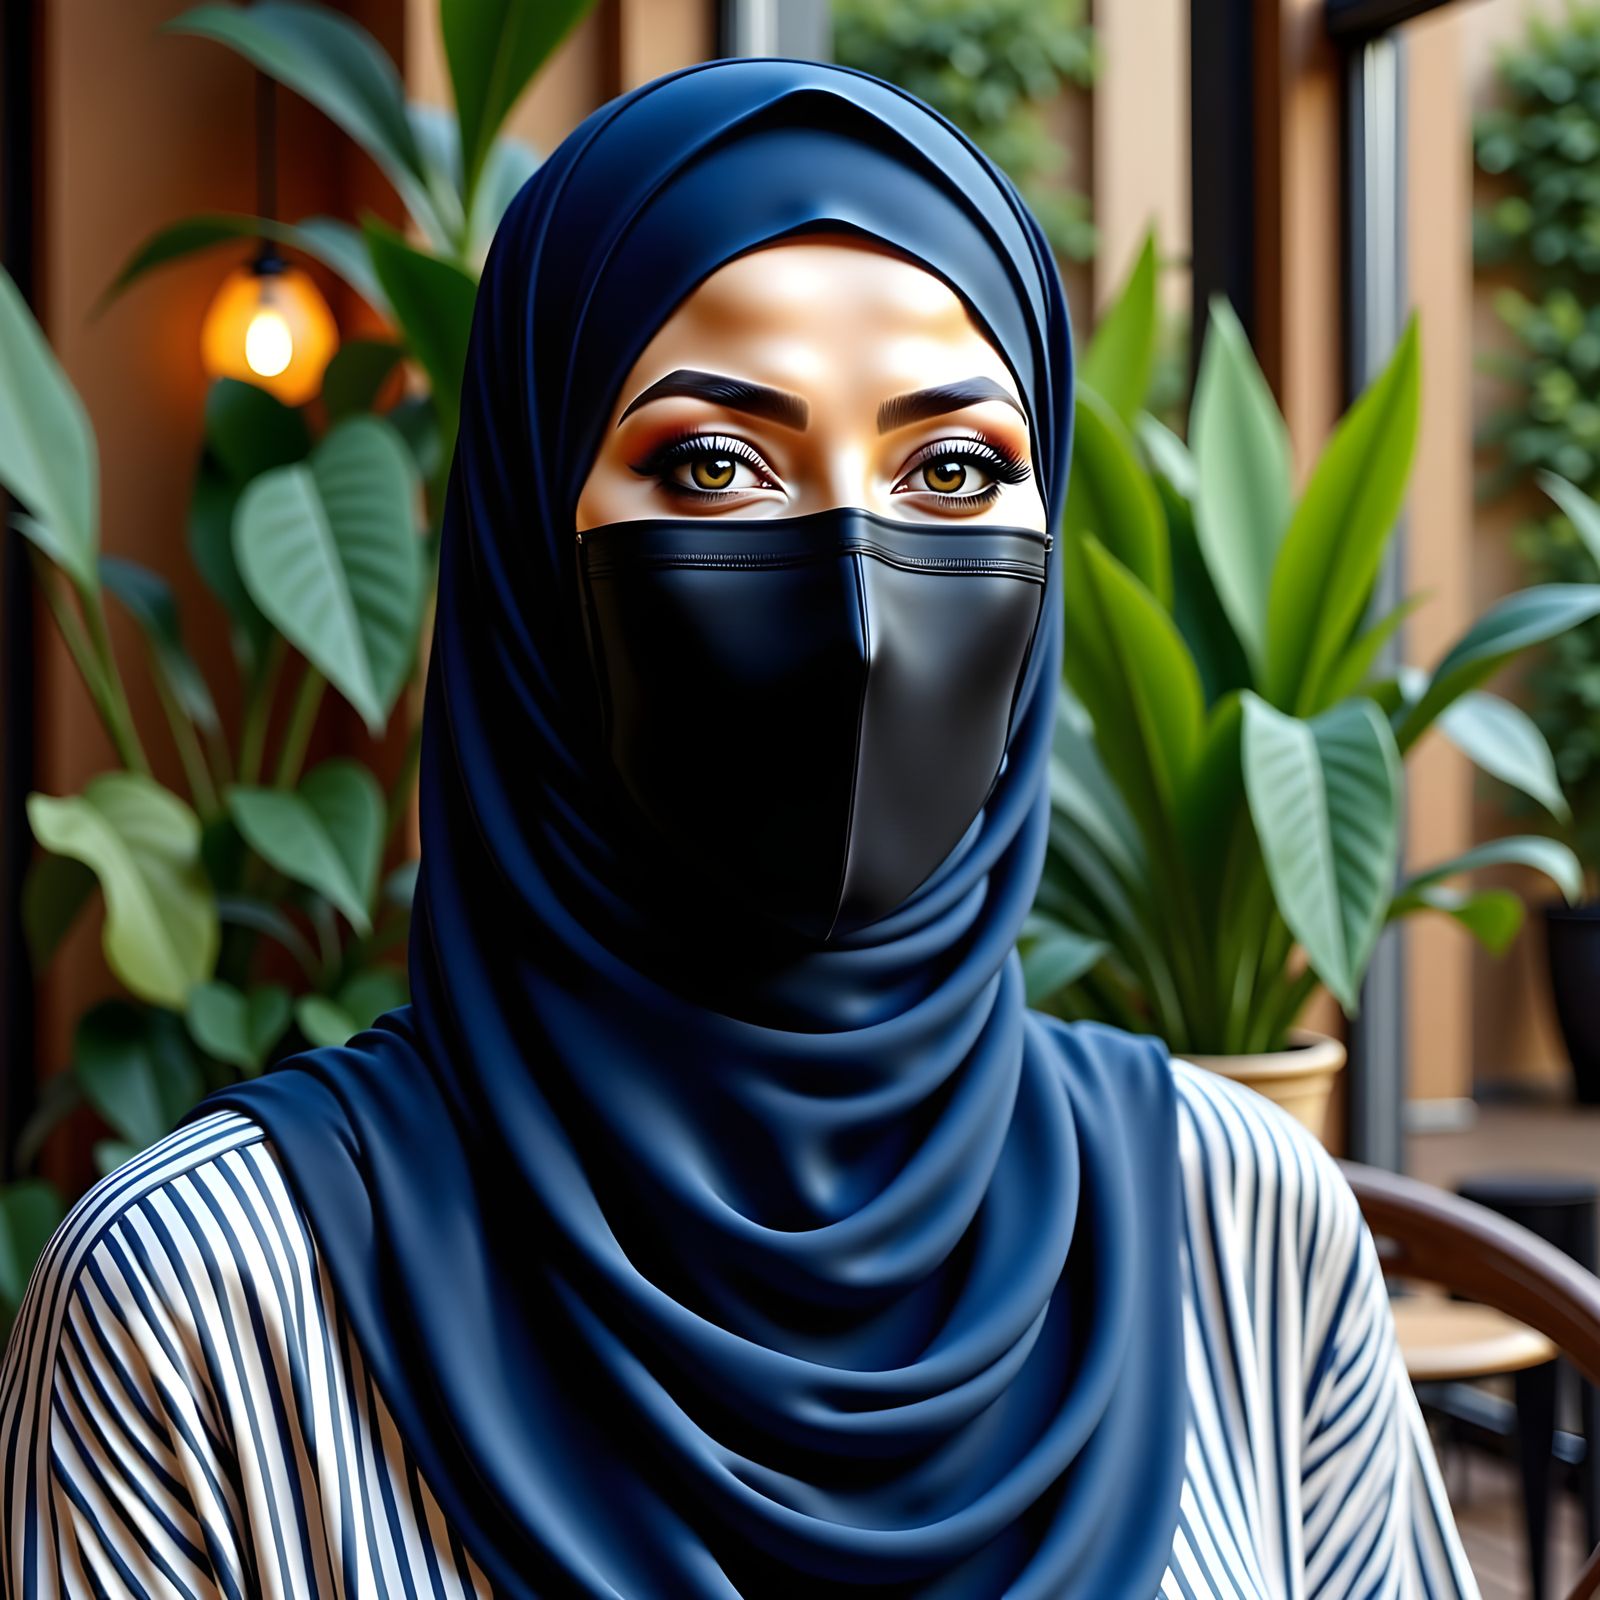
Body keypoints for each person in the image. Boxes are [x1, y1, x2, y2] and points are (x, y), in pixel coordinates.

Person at [1, 57, 1479, 1599]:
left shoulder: (1237, 1214)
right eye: (714, 463)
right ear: (525, 557)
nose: (855, 614)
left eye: (956, 469)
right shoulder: (206, 1295)